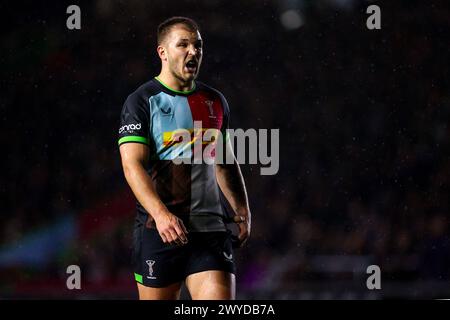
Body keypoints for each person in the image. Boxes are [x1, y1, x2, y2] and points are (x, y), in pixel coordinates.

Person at [118, 16, 251, 300]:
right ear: (162, 52)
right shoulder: (142, 101)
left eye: (198, 45)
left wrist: (242, 209)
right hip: (160, 231)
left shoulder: (215, 101)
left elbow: (224, 161)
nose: (194, 51)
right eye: (184, 45)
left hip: (210, 230)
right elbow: (132, 166)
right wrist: (161, 214)